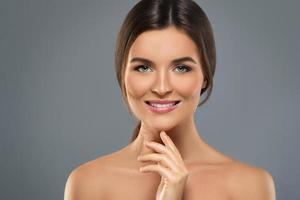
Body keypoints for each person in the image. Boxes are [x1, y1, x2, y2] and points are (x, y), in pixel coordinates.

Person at [64, 0, 276, 199]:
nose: (162, 87)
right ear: (122, 74)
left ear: (205, 76)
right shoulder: (88, 184)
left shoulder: (250, 187)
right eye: (143, 67)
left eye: (181, 68)